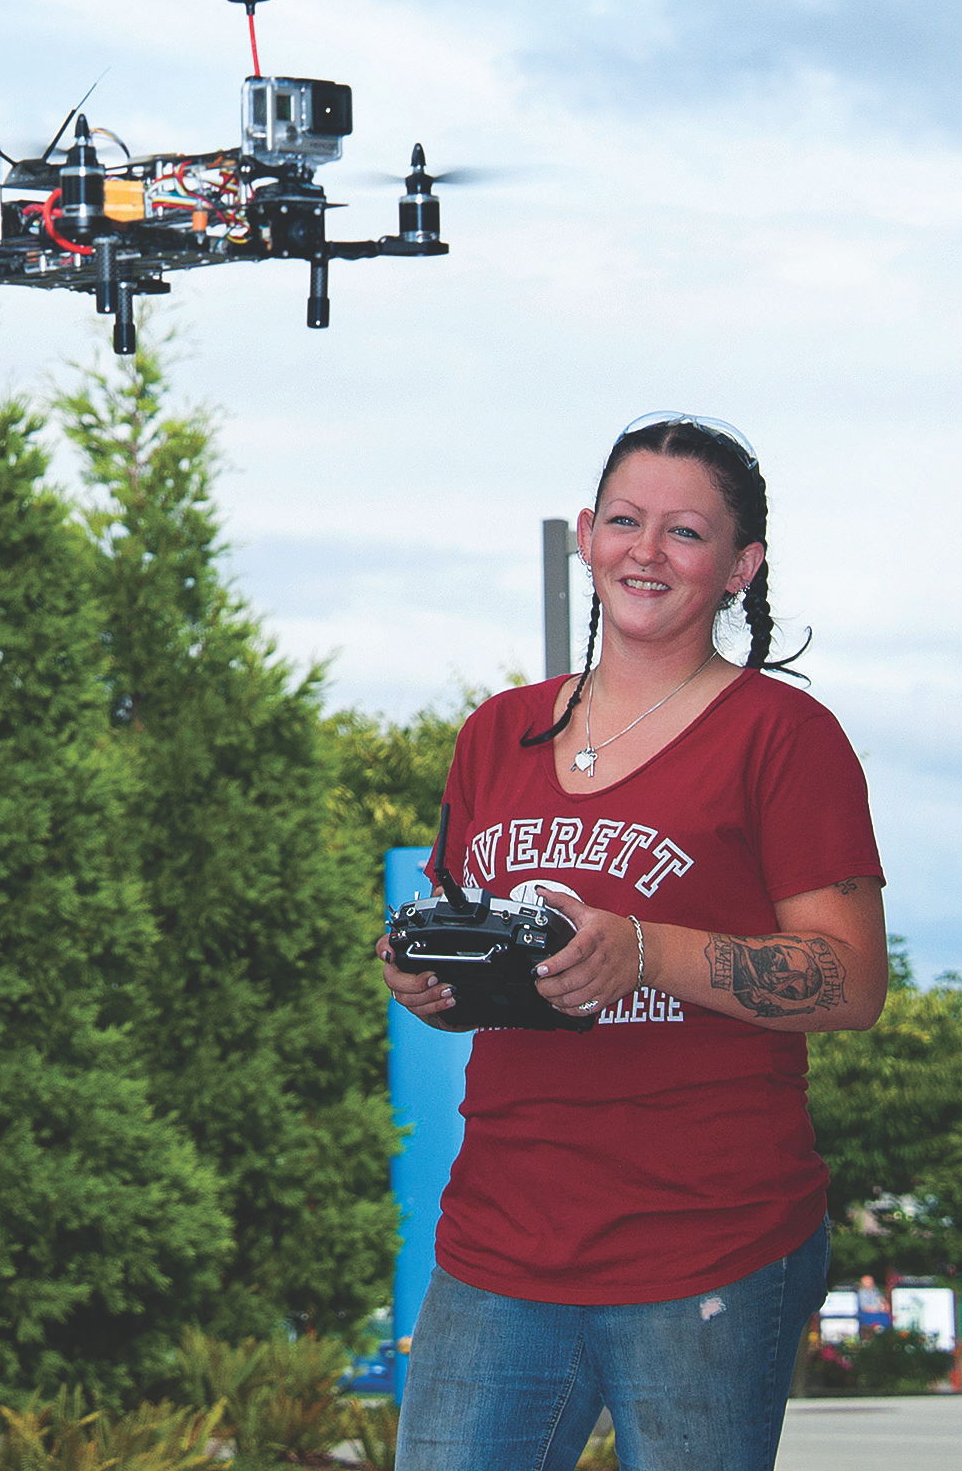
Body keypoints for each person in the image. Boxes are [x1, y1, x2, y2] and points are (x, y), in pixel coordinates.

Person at [379, 412, 888, 1471]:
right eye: (624, 521)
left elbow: (849, 980)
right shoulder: (497, 732)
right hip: (499, 1239)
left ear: (742, 566)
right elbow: (464, 923)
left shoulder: (785, 738)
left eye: (686, 532)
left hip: (709, 1241)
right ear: (585, 535)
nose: (645, 553)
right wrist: (428, 975)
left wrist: (644, 953)